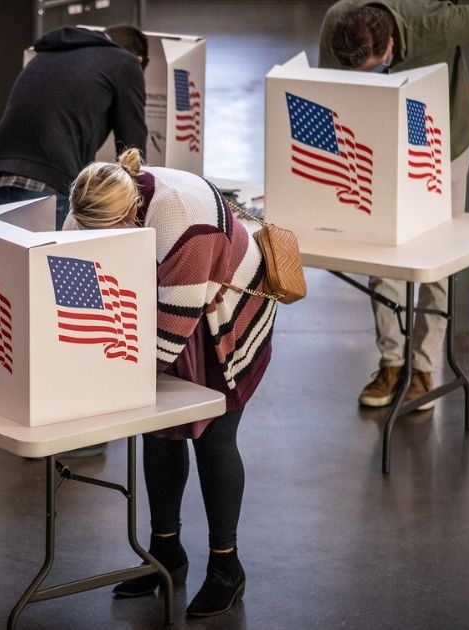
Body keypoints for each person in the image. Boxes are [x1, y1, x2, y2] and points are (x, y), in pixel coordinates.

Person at [65, 149, 277, 618]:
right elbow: (75, 266)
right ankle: (166, 555)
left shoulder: (183, 220)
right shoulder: (92, 200)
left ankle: (227, 567)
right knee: (159, 433)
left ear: (130, 215)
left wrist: (104, 383)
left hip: (225, 313)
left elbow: (169, 334)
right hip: (166, 305)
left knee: (214, 438)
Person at [318, 0, 469, 410]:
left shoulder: (437, 23)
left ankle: (423, 369)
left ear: (391, 45)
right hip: (378, 145)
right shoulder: (339, 21)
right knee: (381, 252)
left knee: (437, 257)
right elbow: (326, 91)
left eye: (372, 67)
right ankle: (392, 363)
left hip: (442, 144)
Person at [0, 24, 149, 231]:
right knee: (49, 261)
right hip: (51, 176)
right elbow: (132, 146)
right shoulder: (126, 62)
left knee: (5, 259)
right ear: (140, 59)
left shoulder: (48, 54)